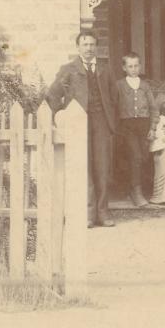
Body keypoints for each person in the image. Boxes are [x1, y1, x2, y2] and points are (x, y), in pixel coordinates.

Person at [46, 31, 118, 226]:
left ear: (97, 47)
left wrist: (110, 119)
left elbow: (114, 96)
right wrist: (59, 116)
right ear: (78, 47)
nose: (89, 48)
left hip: (101, 121)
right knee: (83, 165)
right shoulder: (68, 69)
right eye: (85, 44)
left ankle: (103, 213)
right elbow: (53, 94)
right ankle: (88, 213)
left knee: (102, 166)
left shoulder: (105, 69)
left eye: (92, 44)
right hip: (78, 122)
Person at [112, 52, 159, 207]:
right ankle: (135, 191)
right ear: (124, 67)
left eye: (136, 65)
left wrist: (152, 127)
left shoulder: (145, 85)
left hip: (143, 125)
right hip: (127, 126)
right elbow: (113, 106)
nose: (133, 69)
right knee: (135, 156)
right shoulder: (119, 85)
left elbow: (153, 108)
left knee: (144, 156)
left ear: (140, 66)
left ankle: (138, 189)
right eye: (130, 66)